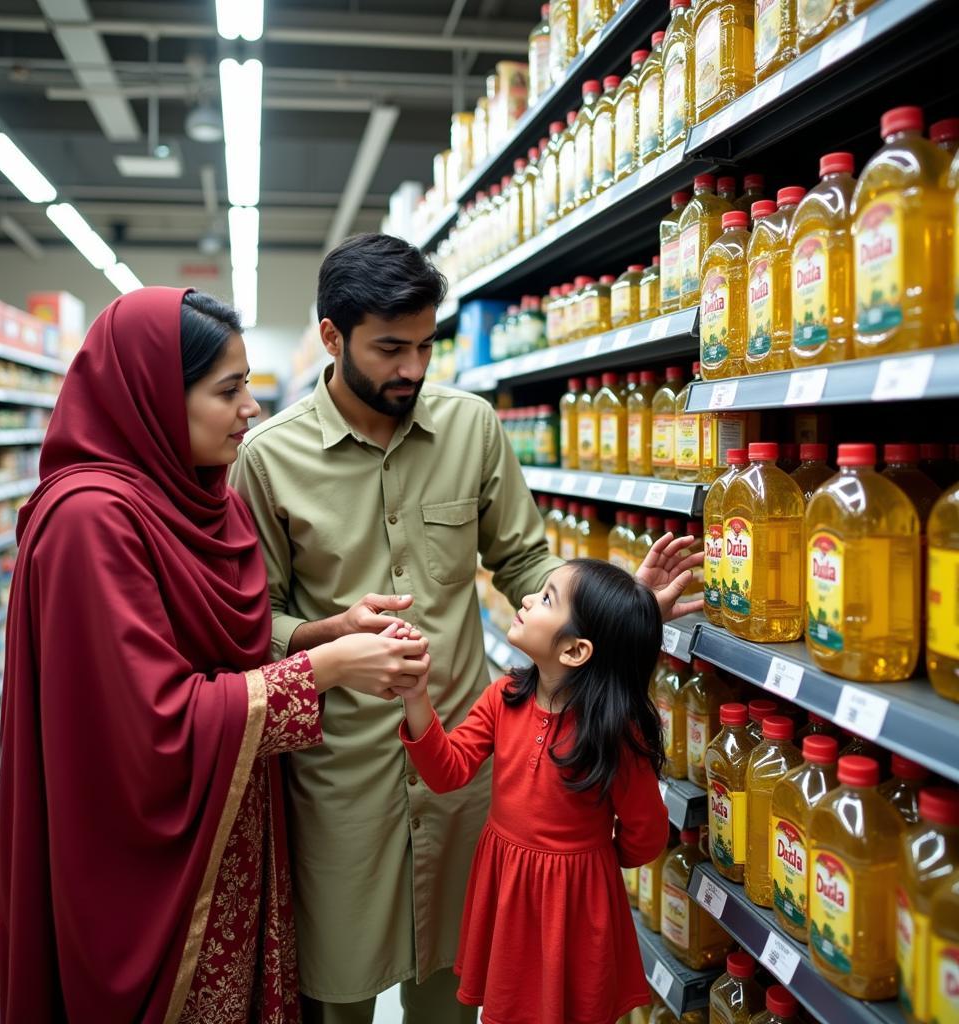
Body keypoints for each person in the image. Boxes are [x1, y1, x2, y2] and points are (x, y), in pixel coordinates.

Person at [230, 233, 701, 1023]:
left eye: (424, 345)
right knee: (340, 994)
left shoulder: (472, 428)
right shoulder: (269, 460)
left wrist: (620, 608)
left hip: (465, 771)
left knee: (452, 994)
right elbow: (255, 625)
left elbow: (525, 566)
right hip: (340, 781)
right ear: (333, 337)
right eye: (389, 348)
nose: (413, 368)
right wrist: (328, 635)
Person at [0, 287, 429, 1024]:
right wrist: (329, 671)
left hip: (230, 832)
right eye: (229, 389)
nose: (251, 407)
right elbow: (151, 725)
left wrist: (324, 632)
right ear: (154, 397)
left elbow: (223, 656)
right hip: (146, 866)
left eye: (249, 382)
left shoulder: (201, 499)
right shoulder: (90, 522)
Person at [399, 559, 669, 1024]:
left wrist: (591, 866)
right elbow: (448, 771)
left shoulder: (613, 735)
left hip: (576, 907)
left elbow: (647, 831)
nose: (525, 599)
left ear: (575, 651)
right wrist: (416, 696)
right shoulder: (504, 698)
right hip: (509, 891)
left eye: (546, 598)